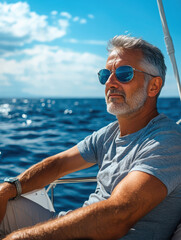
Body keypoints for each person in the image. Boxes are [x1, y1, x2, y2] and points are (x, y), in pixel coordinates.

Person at [0, 35, 181, 240]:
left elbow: (117, 216)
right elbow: (58, 164)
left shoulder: (167, 142)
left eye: (124, 73)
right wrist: (10, 187)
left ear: (154, 86)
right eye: (105, 75)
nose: (110, 82)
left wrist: (22, 237)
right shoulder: (109, 134)